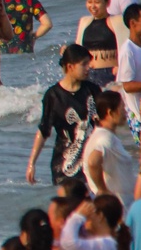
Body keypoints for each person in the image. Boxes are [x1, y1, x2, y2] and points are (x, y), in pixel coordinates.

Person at [28, 46, 97, 187]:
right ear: (70, 67)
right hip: (63, 166)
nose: (88, 68)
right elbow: (43, 131)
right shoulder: (53, 95)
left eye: (88, 63)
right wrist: (32, 163)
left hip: (92, 161)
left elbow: (104, 124)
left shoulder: (93, 90)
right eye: (84, 64)